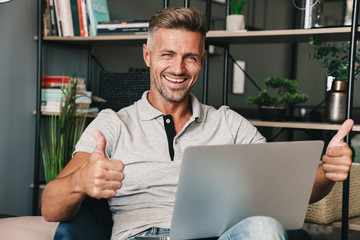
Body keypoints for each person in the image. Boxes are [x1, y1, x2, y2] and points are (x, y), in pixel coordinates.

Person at [42, 7, 354, 240]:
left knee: (264, 226)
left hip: (216, 237)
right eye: (167, 54)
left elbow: (290, 191)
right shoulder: (112, 124)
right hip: (143, 236)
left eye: (190, 57)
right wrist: (81, 180)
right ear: (147, 55)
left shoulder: (229, 123)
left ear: (202, 60)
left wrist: (327, 171)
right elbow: (51, 208)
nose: (178, 68)